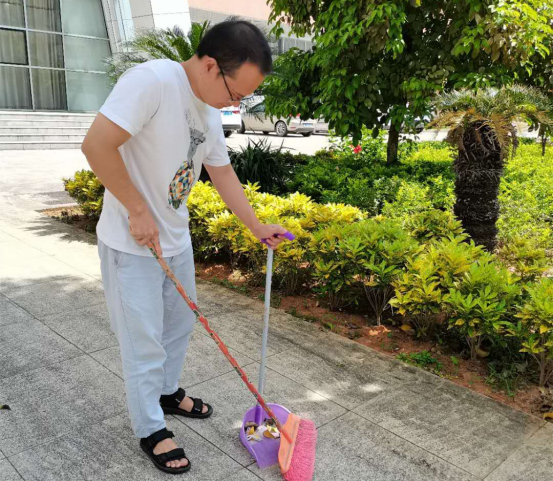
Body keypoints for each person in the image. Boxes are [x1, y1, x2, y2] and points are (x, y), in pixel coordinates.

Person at [82, 20, 289, 475]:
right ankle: (150, 427)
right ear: (211, 65)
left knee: (178, 327)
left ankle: (165, 393)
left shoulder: (209, 109)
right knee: (143, 343)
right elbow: (96, 145)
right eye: (236, 94)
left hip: (175, 239)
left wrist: (255, 225)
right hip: (131, 244)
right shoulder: (152, 81)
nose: (236, 105)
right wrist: (136, 208)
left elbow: (222, 171)